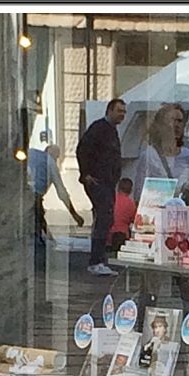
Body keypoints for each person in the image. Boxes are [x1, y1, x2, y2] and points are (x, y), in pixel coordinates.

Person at [75, 97, 126, 276]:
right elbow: (82, 149)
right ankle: (96, 261)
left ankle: (98, 258)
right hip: (98, 181)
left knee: (106, 218)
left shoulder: (111, 130)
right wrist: (86, 174)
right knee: (103, 217)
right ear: (110, 110)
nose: (123, 115)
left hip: (107, 181)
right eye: (119, 111)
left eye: (124, 112)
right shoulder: (99, 128)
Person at [131, 102, 189, 202]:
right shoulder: (149, 155)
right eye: (172, 120)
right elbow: (139, 195)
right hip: (158, 213)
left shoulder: (188, 155)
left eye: (180, 121)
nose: (177, 125)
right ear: (161, 125)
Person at [28, 142, 83, 244]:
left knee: (37, 217)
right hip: (35, 195)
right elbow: (62, 193)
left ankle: (45, 238)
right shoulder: (51, 163)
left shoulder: (31, 152)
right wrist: (74, 214)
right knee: (37, 217)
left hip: (23, 193)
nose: (57, 159)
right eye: (57, 157)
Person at [109, 176, 136, 254]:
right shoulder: (131, 203)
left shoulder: (111, 199)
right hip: (122, 237)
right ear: (130, 190)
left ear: (118, 188)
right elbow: (133, 220)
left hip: (108, 235)